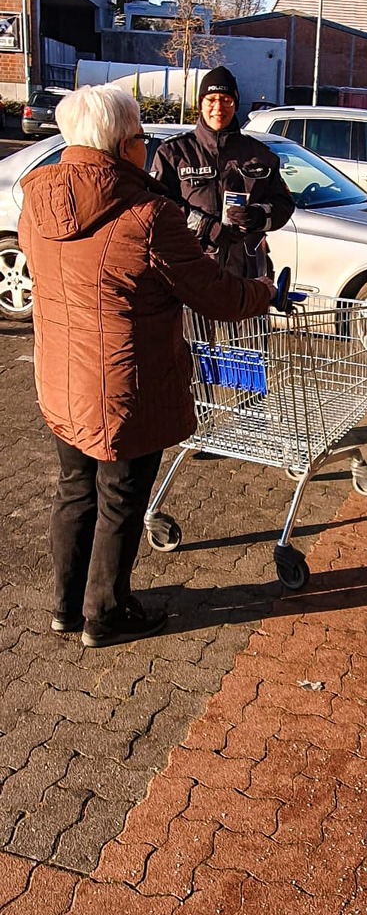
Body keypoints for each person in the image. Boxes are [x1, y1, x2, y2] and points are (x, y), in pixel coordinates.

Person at [18, 84, 275, 648]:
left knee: (74, 488)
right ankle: (106, 613)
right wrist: (261, 293)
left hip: (61, 378)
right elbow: (215, 294)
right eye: (140, 137)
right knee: (119, 498)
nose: (145, 146)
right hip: (124, 387)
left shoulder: (33, 200)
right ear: (122, 146)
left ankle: (66, 607)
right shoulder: (146, 215)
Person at [152, 65, 294, 278]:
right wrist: (205, 226)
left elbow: (283, 205)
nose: (218, 108)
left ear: (235, 103)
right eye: (211, 100)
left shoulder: (260, 154)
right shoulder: (174, 152)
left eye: (226, 100)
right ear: (201, 104)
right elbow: (157, 207)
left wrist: (258, 215)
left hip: (246, 273)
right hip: (191, 273)